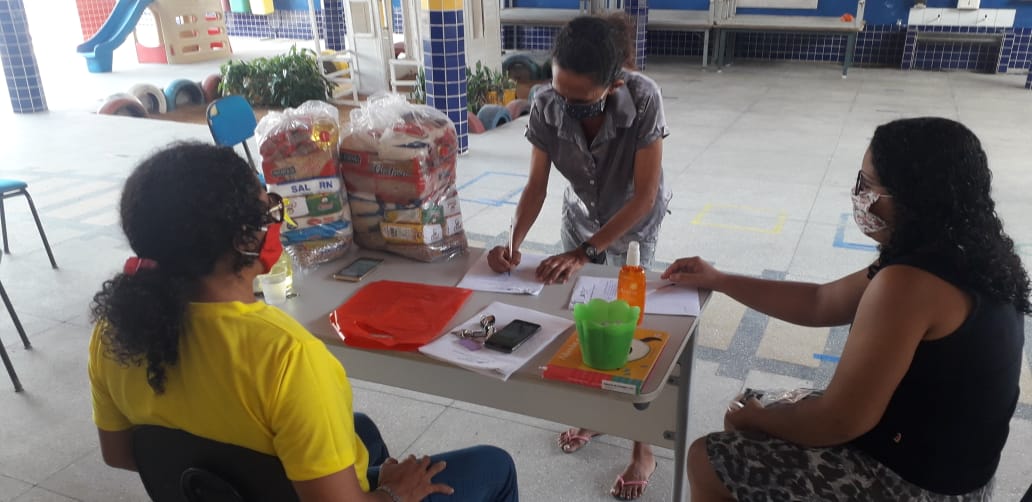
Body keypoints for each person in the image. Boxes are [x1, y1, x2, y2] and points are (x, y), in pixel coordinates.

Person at [88, 142, 519, 502]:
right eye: (269, 215)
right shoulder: (286, 357)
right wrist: (391, 492)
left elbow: (122, 453)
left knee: (359, 429)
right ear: (244, 238)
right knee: (493, 465)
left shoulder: (114, 333)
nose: (275, 226)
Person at [662, 118, 1028, 501]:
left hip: (916, 486)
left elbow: (840, 420)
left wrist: (757, 418)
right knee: (755, 411)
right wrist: (718, 279)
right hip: (947, 465)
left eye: (868, 186)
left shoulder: (909, 284)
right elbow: (821, 301)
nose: (858, 194)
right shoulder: (968, 253)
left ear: (914, 197)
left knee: (707, 458)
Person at [486, 14, 671, 501]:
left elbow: (645, 196)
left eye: (579, 99)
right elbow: (536, 184)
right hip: (580, 219)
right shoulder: (548, 105)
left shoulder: (644, 97)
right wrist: (513, 243)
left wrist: (585, 252)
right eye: (557, 90)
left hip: (631, 227)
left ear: (613, 84)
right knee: (583, 320)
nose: (563, 105)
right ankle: (593, 416)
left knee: (628, 332)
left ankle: (642, 449)